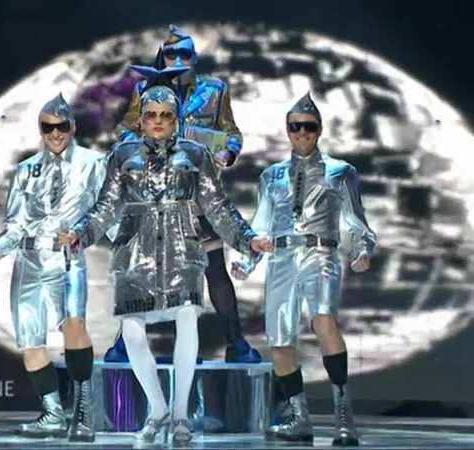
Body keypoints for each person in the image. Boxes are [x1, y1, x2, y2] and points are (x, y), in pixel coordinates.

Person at [57, 65, 272, 445]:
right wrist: (80, 233)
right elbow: (105, 207)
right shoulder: (123, 155)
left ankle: (181, 414)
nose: (158, 121)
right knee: (132, 331)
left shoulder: (196, 154)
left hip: (182, 250)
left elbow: (218, 207)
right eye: (151, 115)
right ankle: (158, 409)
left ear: (176, 119)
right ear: (141, 119)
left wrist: (248, 239)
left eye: (166, 115)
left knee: (187, 318)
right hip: (134, 252)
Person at [107, 23, 261, 364]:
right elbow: (124, 129)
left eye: (184, 53)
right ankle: (124, 343)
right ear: (161, 56)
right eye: (171, 53)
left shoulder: (214, 91)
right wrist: (137, 143)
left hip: (198, 192)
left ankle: (236, 342)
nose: (177, 59)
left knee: (214, 267)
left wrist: (228, 153)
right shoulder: (146, 89)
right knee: (141, 268)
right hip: (155, 192)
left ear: (194, 57)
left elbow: (231, 133)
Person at [231, 92, 376, 446]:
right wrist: (248, 259)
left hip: (320, 253)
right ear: (287, 130)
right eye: (295, 126)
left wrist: (362, 250)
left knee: (323, 319)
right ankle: (300, 419)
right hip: (282, 258)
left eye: (308, 126)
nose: (302, 132)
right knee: (279, 340)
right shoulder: (272, 176)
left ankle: (344, 417)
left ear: (319, 129)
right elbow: (260, 226)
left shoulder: (341, 172)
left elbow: (358, 222)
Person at [0, 93, 109, 442]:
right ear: (40, 129)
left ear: (73, 127)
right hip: (29, 261)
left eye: (61, 126)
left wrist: (85, 234)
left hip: (66, 258)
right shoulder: (27, 170)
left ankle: (83, 411)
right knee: (30, 340)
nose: (55, 133)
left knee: (74, 325)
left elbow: (105, 212)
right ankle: (52, 413)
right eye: (48, 127)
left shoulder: (93, 164)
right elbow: (14, 222)